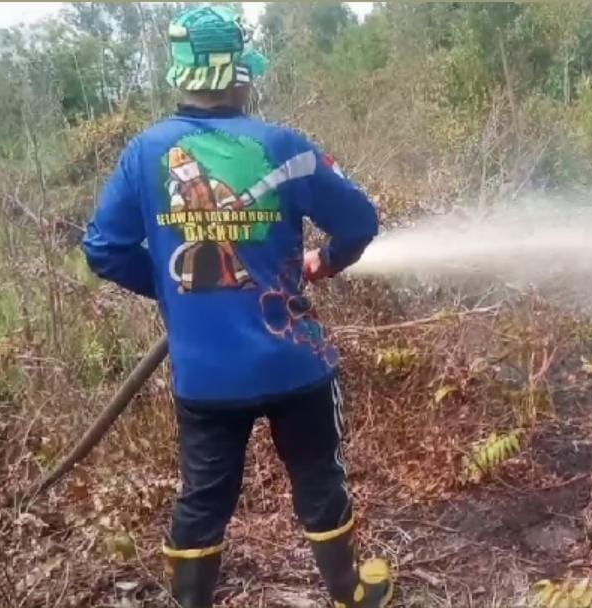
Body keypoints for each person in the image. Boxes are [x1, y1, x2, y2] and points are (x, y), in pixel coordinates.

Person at [81, 5, 391, 607]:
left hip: (205, 374)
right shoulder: (284, 146)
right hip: (293, 361)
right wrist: (326, 262)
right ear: (240, 76)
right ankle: (352, 592)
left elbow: (104, 250)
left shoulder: (144, 152)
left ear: (180, 77)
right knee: (318, 477)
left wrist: (179, 290)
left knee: (203, 496)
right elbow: (360, 221)